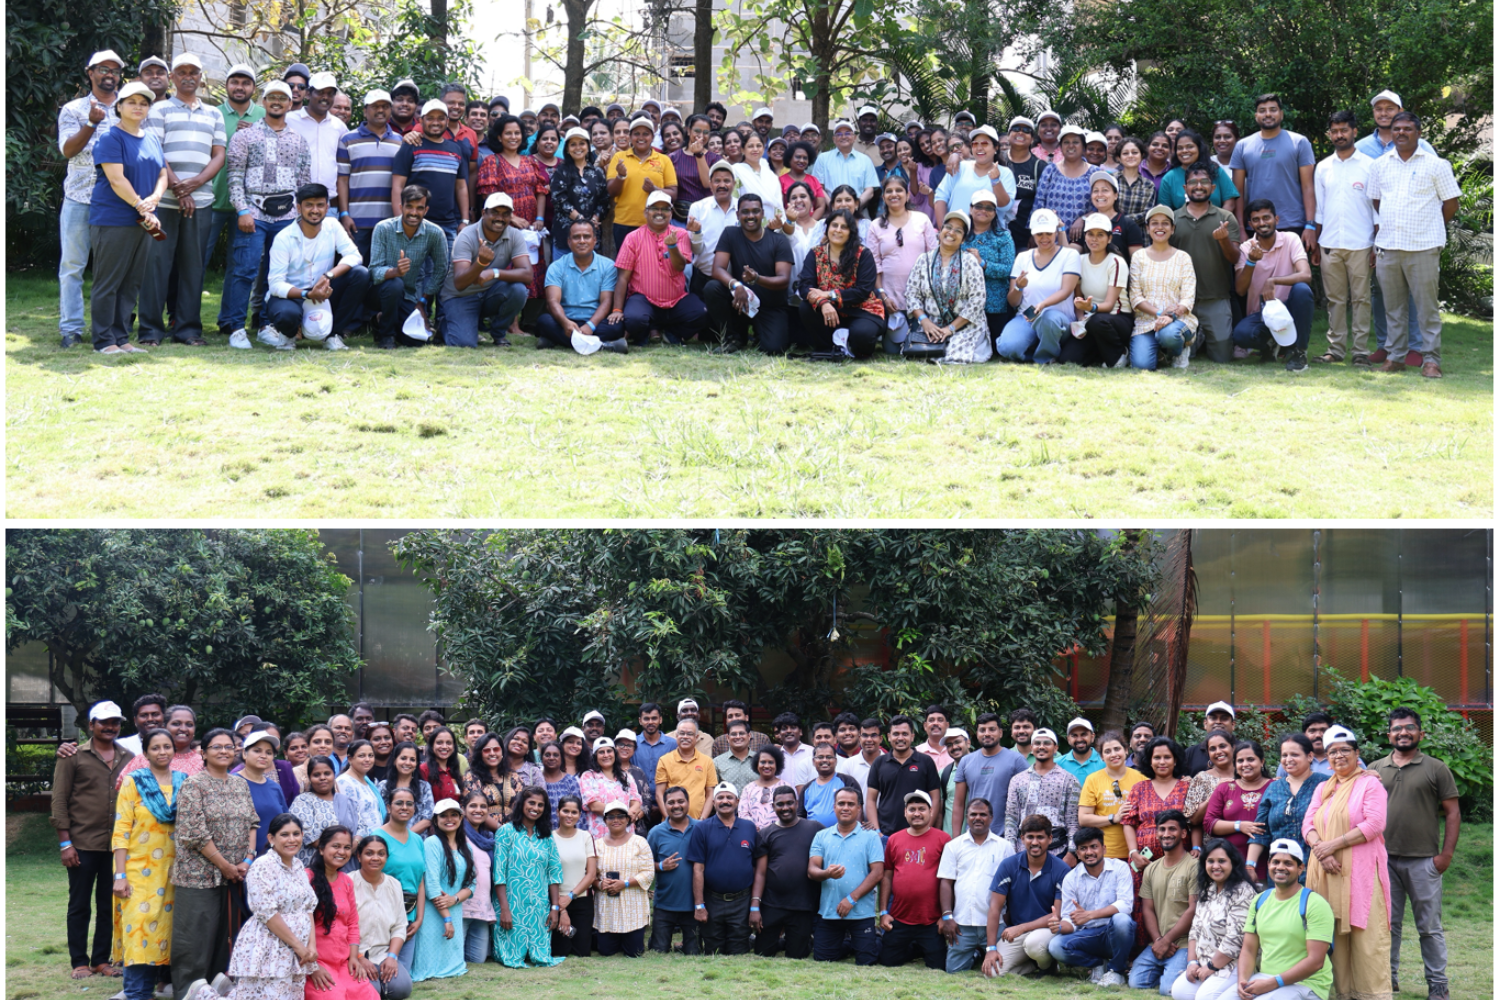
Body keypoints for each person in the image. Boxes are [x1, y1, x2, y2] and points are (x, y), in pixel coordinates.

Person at [134, 53, 224, 347]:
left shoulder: (214, 114)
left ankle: (187, 330)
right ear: (172, 77)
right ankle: (150, 331)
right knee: (155, 266)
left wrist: (196, 184)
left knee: (192, 267)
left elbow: (219, 155)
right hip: (162, 203)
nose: (188, 76)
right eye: (182, 72)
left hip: (202, 203)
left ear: (201, 78)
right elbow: (155, 153)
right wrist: (177, 188)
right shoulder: (158, 110)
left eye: (194, 72)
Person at [1371, 708, 1460, 1000]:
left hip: (1424, 861)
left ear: (1420, 733)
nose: (1403, 733)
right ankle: (1389, 979)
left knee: (1429, 927)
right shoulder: (1375, 769)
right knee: (1388, 926)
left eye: (1409, 728)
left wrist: (1445, 855)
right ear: (1389, 735)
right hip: (1383, 861)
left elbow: (1453, 812)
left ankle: (1438, 985)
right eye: (1397, 728)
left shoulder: (1436, 768)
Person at [1366, 111, 1460, 379]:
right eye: (1396, 129)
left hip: (1424, 247)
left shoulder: (1436, 165)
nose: (1401, 133)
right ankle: (1395, 357)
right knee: (1393, 308)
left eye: (1407, 128)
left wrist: (1430, 225)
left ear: (1418, 133)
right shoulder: (1380, 165)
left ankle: (1431, 360)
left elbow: (1450, 204)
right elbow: (1376, 201)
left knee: (1426, 308)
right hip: (1389, 247)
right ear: (1391, 133)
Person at [1302, 726, 1392, 1000]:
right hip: (1326, 871)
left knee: (1366, 934)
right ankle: (1344, 993)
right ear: (1326, 757)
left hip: (1361, 873)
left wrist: (1333, 845)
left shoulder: (1370, 783)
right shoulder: (1323, 787)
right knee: (1335, 935)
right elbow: (1309, 823)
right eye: (1332, 752)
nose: (1338, 756)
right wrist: (1323, 851)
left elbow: (1375, 824)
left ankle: (1371, 994)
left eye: (1344, 750)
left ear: (1357, 754)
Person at [169, 728, 258, 998]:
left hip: (234, 874)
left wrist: (248, 859)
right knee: (195, 936)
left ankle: (218, 988)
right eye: (216, 746)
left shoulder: (239, 783)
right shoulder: (193, 784)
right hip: (199, 874)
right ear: (203, 752)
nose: (223, 751)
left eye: (229, 746)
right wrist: (225, 865)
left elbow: (253, 822)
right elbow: (193, 833)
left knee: (224, 935)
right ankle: (189, 990)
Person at [222, 81, 310, 348]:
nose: (277, 102)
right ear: (263, 101)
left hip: (286, 216)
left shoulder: (298, 139)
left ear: (290, 103)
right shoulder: (245, 136)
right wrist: (242, 210)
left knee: (278, 274)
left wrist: (300, 216)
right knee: (245, 269)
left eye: (282, 98)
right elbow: (234, 176)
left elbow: (304, 181)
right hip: (254, 212)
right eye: (271, 97)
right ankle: (236, 328)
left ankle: (266, 325)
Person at [84, 80, 165, 354]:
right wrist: (143, 206)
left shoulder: (152, 138)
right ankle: (104, 341)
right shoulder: (110, 138)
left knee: (131, 283)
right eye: (132, 102)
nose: (138, 107)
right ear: (119, 107)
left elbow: (163, 173)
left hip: (142, 220)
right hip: (113, 219)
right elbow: (116, 180)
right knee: (109, 283)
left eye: (144, 103)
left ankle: (121, 338)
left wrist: (155, 199)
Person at [52, 700, 130, 981]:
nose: (110, 727)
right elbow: (59, 800)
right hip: (82, 844)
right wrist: (65, 843)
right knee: (80, 905)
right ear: (91, 725)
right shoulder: (72, 756)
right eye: (104, 722)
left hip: (116, 847)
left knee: (109, 905)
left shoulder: (128, 757)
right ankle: (79, 961)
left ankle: (100, 960)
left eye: (115, 722)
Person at [204, 813, 317, 1000]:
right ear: (271, 838)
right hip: (270, 946)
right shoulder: (263, 866)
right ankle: (203, 995)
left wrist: (311, 945)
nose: (292, 839)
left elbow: (307, 907)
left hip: (297, 950)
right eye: (285, 834)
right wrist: (299, 946)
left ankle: (223, 993)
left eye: (296, 834)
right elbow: (267, 913)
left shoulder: (298, 866)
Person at [57, 49, 125, 347]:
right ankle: (71, 328)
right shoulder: (73, 109)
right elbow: (68, 151)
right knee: (72, 265)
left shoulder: (129, 108)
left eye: (115, 70)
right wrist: (91, 123)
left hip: (116, 200)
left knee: (113, 270)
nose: (109, 74)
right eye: (103, 69)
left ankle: (109, 329)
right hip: (79, 197)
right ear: (90, 73)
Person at [261, 182, 371, 351]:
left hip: (323, 291)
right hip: (293, 295)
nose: (315, 210)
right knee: (286, 315)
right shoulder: (283, 238)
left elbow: (354, 255)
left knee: (360, 274)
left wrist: (328, 276)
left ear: (327, 207)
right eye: (309, 205)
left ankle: (333, 335)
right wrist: (307, 294)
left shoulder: (332, 226)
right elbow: (275, 285)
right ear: (299, 208)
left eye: (320, 205)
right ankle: (288, 335)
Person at [1236, 840, 1335, 1000]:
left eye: (1288, 863)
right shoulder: (1260, 900)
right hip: (1265, 978)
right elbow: (1248, 949)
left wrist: (1273, 983)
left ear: (1300, 868)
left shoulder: (1315, 904)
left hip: (1306, 984)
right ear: (1268, 865)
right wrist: (1242, 980)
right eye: (1276, 862)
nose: (1280, 867)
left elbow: (1316, 961)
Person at [610, 190, 708, 344]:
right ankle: (646, 333)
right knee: (634, 319)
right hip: (644, 299)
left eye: (665, 209)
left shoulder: (680, 234)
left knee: (702, 313)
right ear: (646, 212)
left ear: (671, 213)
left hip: (675, 300)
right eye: (655, 208)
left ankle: (671, 335)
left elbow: (680, 267)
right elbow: (623, 278)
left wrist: (673, 247)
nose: (660, 213)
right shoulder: (633, 238)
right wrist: (617, 309)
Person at [703, 193, 796, 351]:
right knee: (712, 287)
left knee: (774, 348)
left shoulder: (779, 241)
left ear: (762, 214)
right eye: (745, 212)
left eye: (755, 211)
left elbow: (783, 279)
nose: (750, 216)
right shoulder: (730, 234)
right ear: (738, 215)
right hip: (740, 301)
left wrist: (757, 279)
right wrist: (736, 285)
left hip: (770, 305)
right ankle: (733, 338)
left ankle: (760, 335)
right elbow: (717, 269)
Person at [439, 192, 533, 348]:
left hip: (490, 294)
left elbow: (527, 274)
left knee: (518, 290)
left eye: (505, 214)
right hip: (461, 296)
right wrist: (480, 264)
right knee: (464, 343)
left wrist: (493, 272)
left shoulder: (515, 235)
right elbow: (460, 283)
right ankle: (445, 323)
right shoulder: (467, 235)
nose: (500, 218)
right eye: (495, 212)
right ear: (484, 213)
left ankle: (498, 333)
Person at [1044, 826, 1135, 986]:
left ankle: (1117, 971)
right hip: (1088, 935)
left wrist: (1090, 915)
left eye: (1094, 847)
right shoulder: (1071, 878)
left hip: (1114, 933)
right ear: (1078, 854)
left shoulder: (1120, 868)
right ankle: (1097, 964)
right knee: (1056, 946)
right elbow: (1071, 919)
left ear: (1104, 849)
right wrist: (1059, 927)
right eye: (1083, 849)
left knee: (1122, 920)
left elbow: (1125, 905)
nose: (1089, 852)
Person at [1169, 162, 1242, 362]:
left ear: (1213, 188)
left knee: (1222, 357)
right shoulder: (1173, 219)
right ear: (1185, 188)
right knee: (1181, 355)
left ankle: (1203, 337)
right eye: (1193, 182)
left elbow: (1235, 258)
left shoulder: (1226, 218)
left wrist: (1224, 239)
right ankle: (1195, 338)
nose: (1198, 186)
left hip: (1216, 297)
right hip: (1181, 300)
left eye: (1204, 182)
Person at [1232, 199, 1314, 372]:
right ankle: (1270, 345)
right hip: (1262, 313)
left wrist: (1274, 280)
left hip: (1289, 308)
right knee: (1241, 335)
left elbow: (1306, 274)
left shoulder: (1291, 239)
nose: (1262, 223)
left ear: (1276, 219)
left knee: (1302, 290)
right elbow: (1240, 289)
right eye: (1256, 220)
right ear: (1250, 224)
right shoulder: (1246, 248)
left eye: (1266, 218)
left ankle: (1300, 352)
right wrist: (1251, 261)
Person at [981, 814, 1068, 977]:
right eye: (1030, 837)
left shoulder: (1061, 870)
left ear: (1050, 839)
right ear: (1022, 838)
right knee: (992, 973)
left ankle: (1047, 966)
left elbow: (1057, 915)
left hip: (1047, 931)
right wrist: (991, 948)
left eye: (1040, 837)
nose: (1035, 842)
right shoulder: (1009, 865)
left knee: (1034, 944)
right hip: (1018, 933)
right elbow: (994, 908)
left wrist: (1021, 928)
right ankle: (1032, 965)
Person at [1171, 839, 1256, 1000]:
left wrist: (1211, 967)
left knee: (1204, 997)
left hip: (1232, 965)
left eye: (1222, 861)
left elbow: (1236, 938)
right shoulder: (1208, 890)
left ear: (1233, 863)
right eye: (1210, 861)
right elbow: (1194, 930)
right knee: (1179, 992)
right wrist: (1192, 963)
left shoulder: (1243, 891)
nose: (1215, 866)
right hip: (1203, 964)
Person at [809, 787, 885, 965]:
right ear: (834, 807)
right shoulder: (821, 836)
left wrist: (851, 899)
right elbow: (812, 870)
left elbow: (878, 872)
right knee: (823, 958)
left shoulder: (871, 836)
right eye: (841, 803)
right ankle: (850, 944)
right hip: (829, 911)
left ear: (859, 808)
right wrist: (826, 873)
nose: (845, 807)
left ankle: (875, 938)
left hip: (860, 912)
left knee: (867, 960)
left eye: (851, 804)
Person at [1229, 94, 1316, 248]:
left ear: (1281, 114)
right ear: (1256, 116)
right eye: (1262, 110)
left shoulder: (1299, 142)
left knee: (1295, 272)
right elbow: (1238, 191)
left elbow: (1308, 187)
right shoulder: (1242, 146)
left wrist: (1310, 225)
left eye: (1273, 110)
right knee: (1257, 271)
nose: (1267, 114)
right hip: (1255, 224)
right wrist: (1241, 228)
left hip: (1292, 223)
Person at [937, 796, 1013, 974]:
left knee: (1001, 972)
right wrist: (947, 916)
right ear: (966, 816)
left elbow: (1012, 886)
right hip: (962, 924)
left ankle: (983, 953)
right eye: (973, 814)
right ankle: (975, 956)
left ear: (991, 818)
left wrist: (1009, 916)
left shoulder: (1005, 847)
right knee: (953, 972)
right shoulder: (953, 846)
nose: (978, 818)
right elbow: (946, 883)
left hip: (996, 923)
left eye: (983, 814)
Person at [796, 208, 885, 357]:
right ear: (827, 228)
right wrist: (823, 302)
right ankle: (827, 348)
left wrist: (828, 295)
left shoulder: (863, 254)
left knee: (862, 338)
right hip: (831, 311)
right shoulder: (815, 253)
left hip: (862, 310)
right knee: (806, 307)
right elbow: (804, 286)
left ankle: (850, 342)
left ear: (851, 231)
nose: (838, 230)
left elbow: (862, 292)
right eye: (834, 225)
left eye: (844, 227)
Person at [877, 790, 951, 969]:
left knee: (937, 966)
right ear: (905, 812)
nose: (917, 813)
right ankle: (914, 947)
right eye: (912, 809)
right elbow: (887, 876)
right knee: (887, 962)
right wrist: (884, 911)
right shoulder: (894, 839)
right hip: (900, 918)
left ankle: (921, 946)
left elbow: (949, 880)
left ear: (931, 811)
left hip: (931, 920)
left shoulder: (944, 839)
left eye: (921, 809)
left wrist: (945, 916)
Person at [368, 185, 449, 348]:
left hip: (409, 295)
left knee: (416, 342)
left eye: (419, 208)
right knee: (395, 284)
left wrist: (422, 302)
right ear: (401, 207)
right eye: (409, 207)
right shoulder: (383, 228)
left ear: (426, 210)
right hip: (379, 291)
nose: (413, 213)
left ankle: (381, 322)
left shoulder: (435, 233)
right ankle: (386, 335)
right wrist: (395, 271)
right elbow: (374, 271)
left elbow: (441, 270)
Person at [905, 209, 990, 363]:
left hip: (964, 325)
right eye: (948, 227)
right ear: (940, 231)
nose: (951, 233)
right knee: (922, 354)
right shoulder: (924, 260)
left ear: (963, 239)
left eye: (958, 231)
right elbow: (912, 294)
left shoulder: (970, 262)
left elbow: (977, 300)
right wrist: (925, 322)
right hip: (931, 325)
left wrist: (950, 328)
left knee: (953, 357)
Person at [996, 208, 1081, 364]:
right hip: (1029, 315)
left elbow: (1066, 290)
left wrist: (1043, 304)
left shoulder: (1070, 255)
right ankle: (1037, 350)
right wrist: (1019, 288)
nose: (1044, 238)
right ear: (1033, 234)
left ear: (1056, 232)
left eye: (1048, 233)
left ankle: (1045, 358)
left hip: (1057, 316)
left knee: (1049, 319)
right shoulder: (1023, 257)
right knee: (1007, 347)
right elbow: (1013, 302)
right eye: (1039, 233)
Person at [491, 789, 563, 968]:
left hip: (539, 905)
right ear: (521, 804)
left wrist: (554, 908)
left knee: (539, 956)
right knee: (510, 956)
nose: (536, 808)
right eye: (531, 803)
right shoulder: (506, 832)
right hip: (512, 905)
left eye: (540, 805)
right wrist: (504, 910)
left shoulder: (546, 836)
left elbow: (554, 874)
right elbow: (499, 874)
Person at [304, 826, 377, 1000]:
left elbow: (352, 923)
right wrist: (311, 966)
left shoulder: (346, 881)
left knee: (369, 996)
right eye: (335, 846)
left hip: (344, 962)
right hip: (315, 963)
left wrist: (354, 958)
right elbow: (299, 927)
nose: (342, 852)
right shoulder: (306, 878)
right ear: (321, 849)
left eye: (346, 847)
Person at [750, 786, 822, 959]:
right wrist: (755, 906)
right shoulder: (766, 833)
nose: (785, 808)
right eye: (780, 804)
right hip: (772, 903)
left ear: (797, 804)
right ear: (773, 806)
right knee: (763, 953)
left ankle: (803, 940)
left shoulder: (814, 828)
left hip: (802, 904)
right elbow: (760, 873)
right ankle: (777, 940)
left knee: (797, 955)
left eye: (790, 803)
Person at [1245, 734, 1330, 880]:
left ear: (1310, 756)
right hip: (1280, 870)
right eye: (1284, 755)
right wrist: (1250, 865)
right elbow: (1260, 830)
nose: (1288, 759)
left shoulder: (1325, 784)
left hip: (1317, 867)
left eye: (1294, 754)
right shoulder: (1274, 788)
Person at [1133, 810, 1200, 992]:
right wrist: (1158, 940)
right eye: (1162, 829)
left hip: (1185, 943)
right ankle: (1168, 970)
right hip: (1158, 942)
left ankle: (1177, 973)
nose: (1166, 834)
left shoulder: (1194, 866)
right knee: (1136, 982)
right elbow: (1147, 909)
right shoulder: (1151, 868)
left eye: (1172, 829)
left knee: (1168, 989)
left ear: (1184, 833)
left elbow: (1193, 909)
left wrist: (1167, 940)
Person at [537, 218, 628, 351]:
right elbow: (552, 302)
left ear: (594, 240)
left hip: (596, 322)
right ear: (569, 242)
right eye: (576, 237)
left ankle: (557, 341)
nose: (582, 241)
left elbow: (606, 301)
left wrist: (590, 326)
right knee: (544, 321)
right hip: (566, 321)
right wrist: (565, 323)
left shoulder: (608, 266)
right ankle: (604, 346)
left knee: (616, 327)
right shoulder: (556, 267)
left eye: (586, 236)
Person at [390, 101, 470, 254]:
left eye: (440, 118)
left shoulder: (455, 149)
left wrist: (464, 220)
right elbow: (397, 186)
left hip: (448, 224)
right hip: (415, 222)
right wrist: (399, 221)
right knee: (416, 273)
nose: (435, 122)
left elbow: (461, 187)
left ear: (447, 121)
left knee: (444, 272)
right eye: (430, 118)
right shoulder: (411, 145)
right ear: (421, 121)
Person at [1128, 204, 1199, 370]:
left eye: (1165, 223)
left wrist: (1171, 317)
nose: (1160, 227)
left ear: (1173, 229)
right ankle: (1161, 355)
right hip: (1146, 321)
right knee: (1141, 366)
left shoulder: (1183, 257)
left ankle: (1178, 351)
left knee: (1169, 334)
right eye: (1154, 223)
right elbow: (1135, 297)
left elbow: (1188, 297)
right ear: (1147, 228)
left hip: (1178, 320)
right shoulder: (1139, 257)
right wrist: (1159, 313)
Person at [336, 89, 403, 265]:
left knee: (384, 272)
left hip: (389, 222)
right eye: (375, 106)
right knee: (357, 271)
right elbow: (342, 180)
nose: (380, 110)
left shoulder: (401, 142)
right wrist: (344, 214)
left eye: (385, 106)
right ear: (365, 110)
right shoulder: (347, 139)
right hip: (357, 222)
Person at [410, 800, 472, 981]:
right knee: (429, 964)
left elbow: (472, 883)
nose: (449, 819)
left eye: (454, 814)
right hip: (432, 911)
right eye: (443, 815)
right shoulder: (432, 843)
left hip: (454, 907)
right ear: (435, 820)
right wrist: (447, 918)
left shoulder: (465, 846)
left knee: (453, 966)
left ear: (461, 818)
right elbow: (431, 885)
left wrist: (455, 899)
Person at [1060, 211, 1132, 366]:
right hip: (1090, 320)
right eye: (1090, 234)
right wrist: (1080, 319)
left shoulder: (1116, 262)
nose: (1094, 239)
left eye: (1100, 235)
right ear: (1084, 236)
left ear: (1109, 238)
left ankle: (1120, 354)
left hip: (1117, 319)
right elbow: (1077, 299)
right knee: (1067, 358)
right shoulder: (1079, 260)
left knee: (1098, 322)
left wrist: (1091, 307)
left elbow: (1109, 305)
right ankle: (1101, 352)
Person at [863, 175, 937, 321]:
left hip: (923, 296)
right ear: (883, 197)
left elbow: (934, 259)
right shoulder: (875, 225)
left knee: (919, 341)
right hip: (890, 299)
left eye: (899, 190)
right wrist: (883, 296)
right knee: (894, 343)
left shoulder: (922, 220)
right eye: (889, 191)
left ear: (907, 195)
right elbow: (874, 265)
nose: (894, 194)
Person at [1001, 729, 1080, 861]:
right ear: (1032, 748)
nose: (1041, 747)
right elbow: (1011, 818)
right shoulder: (1017, 780)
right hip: (1023, 851)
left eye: (1046, 743)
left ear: (1055, 748)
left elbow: (1073, 821)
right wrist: (1011, 850)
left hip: (1058, 851)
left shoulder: (1070, 780)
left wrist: (1071, 853)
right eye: (1037, 743)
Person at [1121, 737, 1192, 881]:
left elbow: (1195, 822)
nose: (1162, 762)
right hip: (1142, 862)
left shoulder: (1187, 787)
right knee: (1143, 901)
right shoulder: (1139, 788)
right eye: (1157, 757)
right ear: (1150, 761)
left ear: (1175, 760)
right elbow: (1128, 822)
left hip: (1179, 862)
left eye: (1167, 757)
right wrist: (1134, 853)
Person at [349, 835, 411, 999]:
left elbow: (399, 926)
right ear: (359, 856)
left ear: (386, 857)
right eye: (369, 853)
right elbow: (341, 927)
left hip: (384, 954)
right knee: (371, 992)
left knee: (402, 988)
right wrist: (359, 957)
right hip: (354, 955)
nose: (375, 858)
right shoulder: (348, 882)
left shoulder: (394, 885)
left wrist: (392, 957)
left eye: (381, 853)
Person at [949, 713, 1027, 842]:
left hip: (1006, 837)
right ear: (977, 734)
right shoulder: (966, 761)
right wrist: (956, 839)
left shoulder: (1016, 760)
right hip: (973, 836)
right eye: (982, 730)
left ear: (1000, 733)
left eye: (992, 729)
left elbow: (1027, 801)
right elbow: (958, 804)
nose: (987, 733)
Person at [594, 800, 656, 956]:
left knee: (634, 953)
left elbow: (649, 872)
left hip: (632, 909)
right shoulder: (597, 845)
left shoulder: (639, 842)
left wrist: (625, 883)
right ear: (605, 821)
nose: (616, 820)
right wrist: (600, 884)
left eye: (621, 816)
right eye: (611, 817)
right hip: (607, 907)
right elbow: (590, 875)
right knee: (606, 951)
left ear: (628, 819)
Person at [1205, 741, 1273, 881]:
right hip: (1229, 864)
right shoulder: (1225, 788)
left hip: (1267, 863)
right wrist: (1239, 826)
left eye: (1250, 759)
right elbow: (1209, 823)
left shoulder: (1275, 787)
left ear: (1262, 761)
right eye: (1240, 761)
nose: (1245, 764)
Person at [606, 114, 677, 247]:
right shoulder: (619, 157)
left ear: (652, 137)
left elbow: (673, 194)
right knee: (626, 266)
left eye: (646, 134)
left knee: (652, 264)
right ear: (630, 137)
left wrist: (654, 189)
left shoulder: (664, 160)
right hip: (624, 223)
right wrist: (620, 176)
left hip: (656, 223)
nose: (641, 138)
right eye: (636, 134)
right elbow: (611, 192)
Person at [866, 715, 943, 836]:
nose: (900, 738)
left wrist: (927, 828)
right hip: (886, 833)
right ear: (889, 737)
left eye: (905, 734)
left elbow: (936, 799)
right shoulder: (879, 763)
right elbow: (870, 800)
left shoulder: (925, 762)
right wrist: (877, 831)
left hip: (919, 832)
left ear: (912, 737)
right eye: (896, 734)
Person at [646, 786, 700, 954]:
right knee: (658, 951)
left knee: (694, 952)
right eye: (671, 802)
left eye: (680, 801)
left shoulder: (701, 829)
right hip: (665, 904)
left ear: (688, 803)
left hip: (694, 905)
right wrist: (661, 866)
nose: (676, 806)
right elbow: (645, 865)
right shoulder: (656, 832)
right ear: (665, 805)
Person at [1078, 731, 1147, 861]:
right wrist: (1113, 818)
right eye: (1108, 751)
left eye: (1117, 749)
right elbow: (1083, 818)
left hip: (1136, 852)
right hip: (1104, 852)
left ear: (1126, 750)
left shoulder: (1141, 778)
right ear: (1102, 757)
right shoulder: (1093, 779)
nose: (1114, 754)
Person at [291, 756, 363, 869]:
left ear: (334, 775)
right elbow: (308, 835)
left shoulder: (348, 802)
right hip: (314, 865)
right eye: (316, 775)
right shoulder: (303, 801)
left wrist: (353, 845)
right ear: (309, 777)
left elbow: (362, 827)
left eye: (327, 773)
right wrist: (337, 853)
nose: (322, 778)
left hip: (347, 864)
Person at [550, 795, 597, 958]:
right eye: (565, 811)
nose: (569, 815)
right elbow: (547, 875)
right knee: (559, 951)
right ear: (557, 812)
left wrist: (571, 896)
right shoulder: (549, 838)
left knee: (581, 952)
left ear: (579, 815)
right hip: (555, 901)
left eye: (574, 812)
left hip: (581, 900)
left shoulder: (585, 837)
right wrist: (561, 909)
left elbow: (591, 875)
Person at [686, 161, 741, 296]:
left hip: (738, 281)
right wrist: (696, 233)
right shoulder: (697, 208)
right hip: (704, 279)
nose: (722, 185)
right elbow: (696, 250)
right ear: (710, 185)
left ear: (734, 184)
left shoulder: (743, 208)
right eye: (717, 181)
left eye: (726, 181)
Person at [549, 126, 608, 251]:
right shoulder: (561, 171)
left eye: (582, 143)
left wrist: (594, 219)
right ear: (568, 149)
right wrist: (581, 220)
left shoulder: (597, 172)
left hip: (591, 234)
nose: (578, 148)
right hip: (566, 234)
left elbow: (604, 200)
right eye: (573, 144)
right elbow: (559, 199)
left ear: (588, 146)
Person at [114, 704, 203, 787]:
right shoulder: (144, 759)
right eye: (176, 724)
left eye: (189, 725)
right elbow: (122, 788)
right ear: (164, 727)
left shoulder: (203, 762)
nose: (183, 729)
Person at [288, 71, 348, 193]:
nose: (325, 97)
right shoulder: (289, 120)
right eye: (320, 92)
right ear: (308, 94)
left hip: (328, 201)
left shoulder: (339, 126)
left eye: (330, 94)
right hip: (294, 198)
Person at [1033, 125, 1099, 231]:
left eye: (1076, 142)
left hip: (1086, 236)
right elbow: (1039, 203)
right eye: (1066, 142)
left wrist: (1084, 219)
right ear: (1060, 147)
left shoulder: (1095, 172)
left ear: (1083, 147)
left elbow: (1102, 205)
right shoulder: (1050, 170)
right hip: (1050, 236)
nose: (1071, 146)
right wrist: (1034, 231)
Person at [1158, 130, 1241, 215]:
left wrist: (1220, 223)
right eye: (1180, 148)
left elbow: (1229, 202)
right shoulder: (1169, 178)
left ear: (1199, 148)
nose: (1184, 151)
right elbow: (1165, 211)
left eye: (1190, 146)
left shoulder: (1215, 170)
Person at [579, 737, 644, 837]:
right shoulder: (588, 776)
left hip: (626, 833)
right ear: (595, 756)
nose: (606, 755)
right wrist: (623, 815)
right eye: (601, 752)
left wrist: (632, 812)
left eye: (609, 751)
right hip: (600, 834)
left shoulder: (626, 776)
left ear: (614, 754)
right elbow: (593, 805)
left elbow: (636, 800)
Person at [239, 731, 291, 856]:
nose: (263, 756)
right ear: (244, 754)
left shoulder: (274, 787)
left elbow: (285, 821)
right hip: (240, 861)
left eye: (269, 752)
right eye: (257, 751)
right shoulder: (232, 783)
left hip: (273, 859)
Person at [811, 120, 880, 211]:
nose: (843, 137)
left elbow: (869, 190)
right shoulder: (823, 159)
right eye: (839, 134)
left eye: (847, 133)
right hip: (830, 211)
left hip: (859, 211)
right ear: (834, 139)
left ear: (854, 138)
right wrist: (832, 205)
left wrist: (856, 205)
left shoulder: (865, 160)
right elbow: (818, 187)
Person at [377, 742, 434, 837]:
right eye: (403, 758)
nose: (407, 763)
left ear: (416, 764)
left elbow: (427, 819)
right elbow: (378, 816)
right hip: (387, 840)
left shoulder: (424, 787)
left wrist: (404, 836)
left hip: (416, 840)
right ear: (395, 761)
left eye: (412, 759)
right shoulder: (383, 786)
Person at [799, 743, 862, 827]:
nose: (824, 760)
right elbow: (801, 815)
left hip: (844, 835)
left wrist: (857, 830)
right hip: (814, 837)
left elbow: (858, 809)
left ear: (835, 761)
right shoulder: (807, 788)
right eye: (820, 757)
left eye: (829, 757)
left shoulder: (847, 781)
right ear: (814, 761)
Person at [1186, 730, 1239, 828]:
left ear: (1233, 747)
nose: (1218, 751)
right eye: (1213, 749)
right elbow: (1193, 820)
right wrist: (1215, 793)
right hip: (1212, 841)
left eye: (1223, 746)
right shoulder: (1201, 779)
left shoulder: (1245, 775)